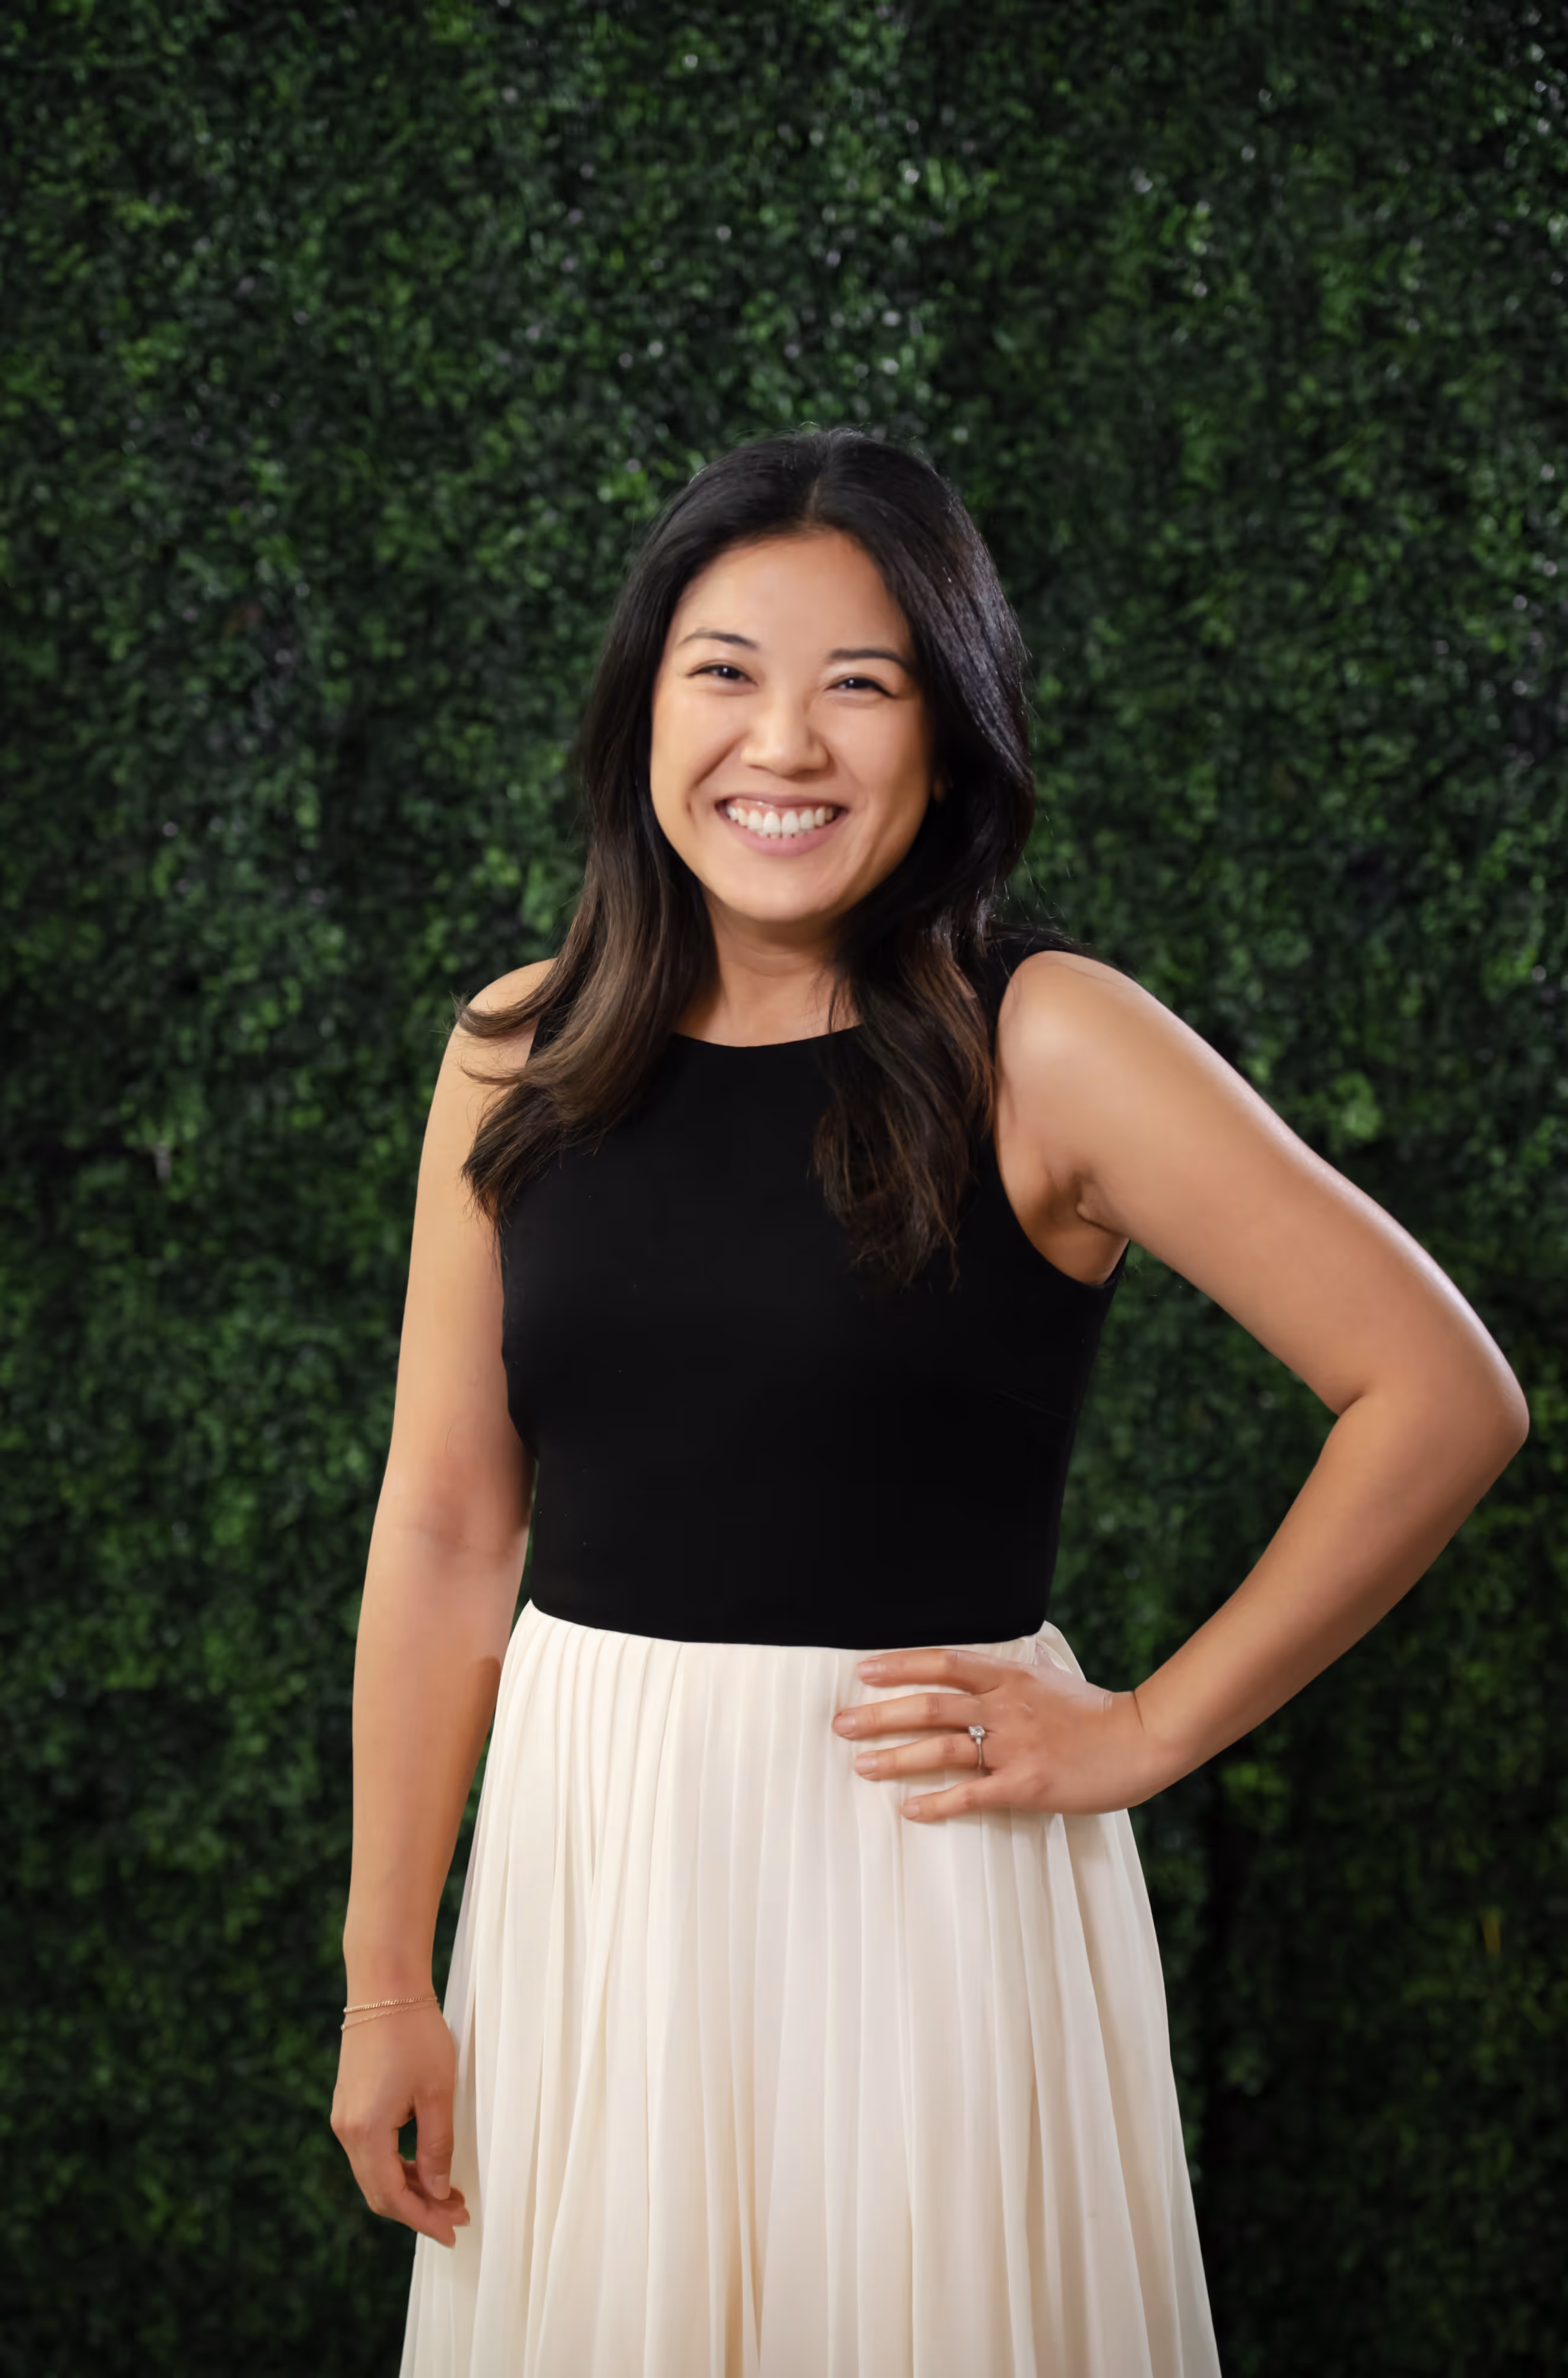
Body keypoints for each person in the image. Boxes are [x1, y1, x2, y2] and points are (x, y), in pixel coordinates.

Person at [329, 427, 1529, 2377]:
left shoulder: (1047, 1040)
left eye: (859, 687)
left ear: (950, 741)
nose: (780, 745)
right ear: (645, 709)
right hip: (591, 1883)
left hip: (915, 1885)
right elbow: (454, 1521)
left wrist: (1140, 1731)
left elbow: (1436, 1390)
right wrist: (392, 1971)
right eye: (724, 673)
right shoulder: (512, 1049)